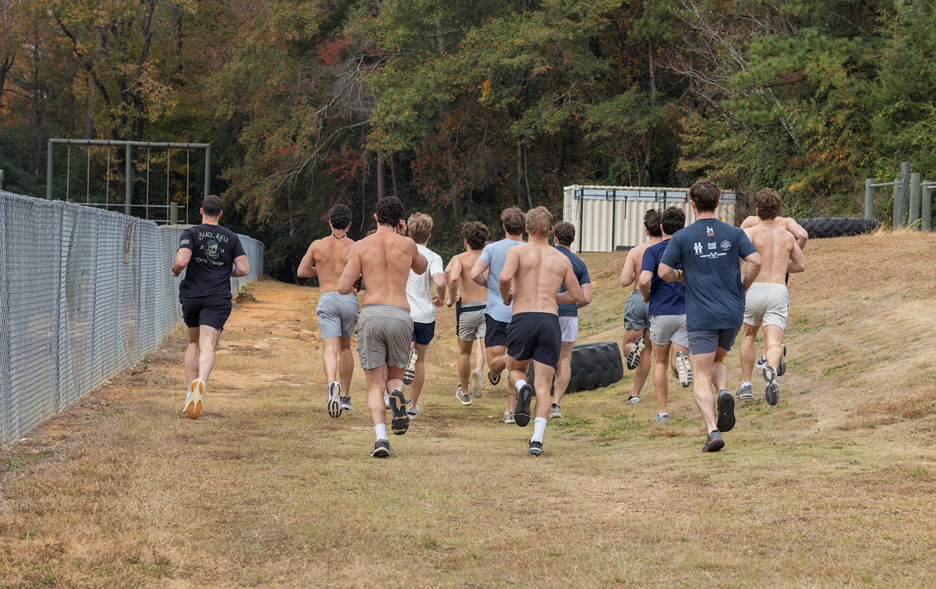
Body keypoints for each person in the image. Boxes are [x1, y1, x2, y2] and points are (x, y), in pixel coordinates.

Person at [658, 181, 761, 452]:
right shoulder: (735, 232)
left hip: (702, 315)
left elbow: (663, 272)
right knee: (716, 360)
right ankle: (724, 391)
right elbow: (756, 262)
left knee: (700, 372)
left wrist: (682, 276)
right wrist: (744, 286)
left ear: (692, 204)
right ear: (718, 203)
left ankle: (712, 431)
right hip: (732, 312)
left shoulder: (682, 237)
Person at [337, 196, 427, 458]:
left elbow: (343, 287)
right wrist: (403, 237)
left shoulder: (362, 246)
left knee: (374, 384)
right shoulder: (408, 244)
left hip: (372, 313)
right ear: (400, 221)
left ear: (375, 218)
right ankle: (397, 393)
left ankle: (381, 439)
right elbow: (421, 268)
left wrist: (361, 279)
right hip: (400, 313)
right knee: (395, 377)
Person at [499, 207, 583, 456]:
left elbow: (504, 279)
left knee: (514, 368)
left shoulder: (517, 251)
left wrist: (507, 298)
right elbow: (577, 295)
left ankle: (523, 385)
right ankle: (536, 440)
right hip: (549, 320)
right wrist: (553, 295)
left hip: (523, 317)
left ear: (526, 228)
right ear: (551, 230)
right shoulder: (562, 259)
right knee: (545, 386)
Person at [172, 195, 250, 420]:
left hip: (192, 296)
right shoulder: (231, 236)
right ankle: (201, 384)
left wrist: (176, 271)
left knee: (193, 342)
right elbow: (244, 269)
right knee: (208, 344)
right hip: (217, 297)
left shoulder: (191, 233)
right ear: (221, 214)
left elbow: (182, 261)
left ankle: (189, 394)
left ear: (201, 211)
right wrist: (226, 271)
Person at [737, 188, 806, 405]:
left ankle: (746, 385)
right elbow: (801, 265)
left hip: (754, 289)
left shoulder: (750, 233)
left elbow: (736, 263)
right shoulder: (787, 236)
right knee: (775, 341)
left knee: (748, 336)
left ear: (757, 210)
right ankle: (771, 369)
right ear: (778, 212)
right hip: (777, 289)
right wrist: (779, 266)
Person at [297, 204, 358, 418]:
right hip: (348, 297)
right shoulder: (356, 246)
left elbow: (302, 271)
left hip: (327, 298)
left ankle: (333, 383)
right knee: (346, 347)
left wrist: (320, 270)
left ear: (330, 222)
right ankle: (346, 397)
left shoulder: (317, 246)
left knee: (329, 348)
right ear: (349, 224)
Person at [470, 207, 526, 424]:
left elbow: (475, 274)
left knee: (493, 364)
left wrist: (490, 285)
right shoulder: (529, 249)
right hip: (522, 313)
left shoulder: (492, 248)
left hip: (497, 313)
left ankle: (511, 407)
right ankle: (510, 410)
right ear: (524, 228)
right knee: (517, 363)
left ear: (504, 227)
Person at [638, 207, 693, 423]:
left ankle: (663, 412)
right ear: (683, 227)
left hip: (661, 312)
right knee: (677, 366)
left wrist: (646, 296)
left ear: (661, 228)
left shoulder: (652, 251)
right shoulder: (689, 249)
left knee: (659, 363)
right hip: (686, 312)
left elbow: (643, 280)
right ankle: (681, 362)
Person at [404, 213, 446, 420]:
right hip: (424, 315)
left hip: (403, 313)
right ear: (429, 235)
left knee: (396, 358)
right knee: (420, 362)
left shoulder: (402, 253)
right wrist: (441, 297)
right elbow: (440, 281)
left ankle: (392, 396)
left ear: (409, 233)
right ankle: (412, 406)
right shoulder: (432, 257)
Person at [619, 209, 663, 404]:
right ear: (663, 228)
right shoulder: (667, 249)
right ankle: (635, 395)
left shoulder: (636, 252)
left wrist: (638, 274)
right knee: (647, 352)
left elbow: (624, 281)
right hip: (658, 300)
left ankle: (631, 349)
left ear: (647, 231)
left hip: (638, 298)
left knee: (631, 345)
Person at [445, 221, 491, 406]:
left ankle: (464, 392)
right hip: (487, 307)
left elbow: (454, 276)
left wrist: (451, 298)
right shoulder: (489, 256)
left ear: (466, 241)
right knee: (484, 346)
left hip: (467, 309)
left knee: (464, 352)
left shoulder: (459, 258)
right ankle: (481, 371)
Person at [550, 221, 592, 418]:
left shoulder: (546, 257)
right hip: (568, 314)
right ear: (573, 240)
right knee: (564, 359)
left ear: (555, 238)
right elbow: (587, 297)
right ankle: (555, 404)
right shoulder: (579, 263)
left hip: (545, 312)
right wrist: (570, 306)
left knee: (542, 356)